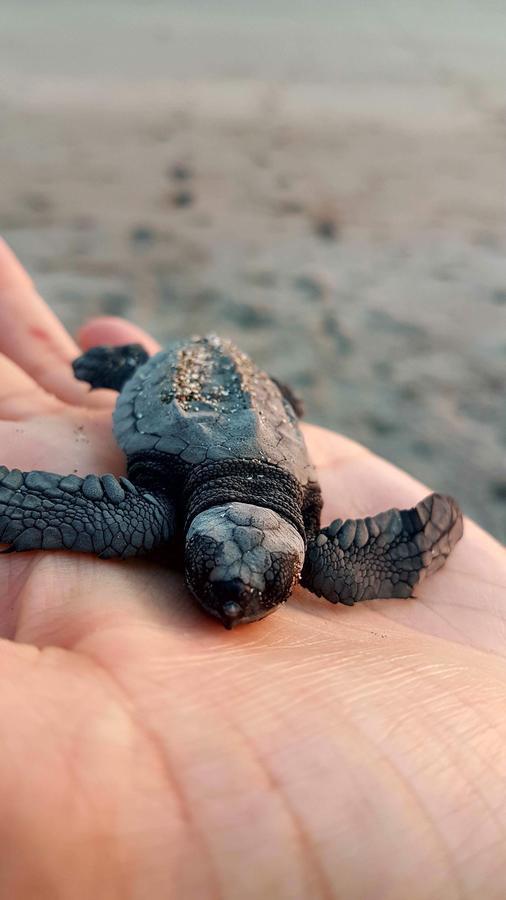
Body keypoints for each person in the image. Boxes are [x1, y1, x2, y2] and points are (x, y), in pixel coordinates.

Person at [0, 238, 504, 898]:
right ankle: (135, 369)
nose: (232, 599)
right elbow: (422, 531)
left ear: (296, 557)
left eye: (264, 585)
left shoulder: (308, 553)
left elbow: (424, 532)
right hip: (179, 383)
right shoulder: (167, 513)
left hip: (247, 404)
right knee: (119, 390)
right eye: (210, 569)